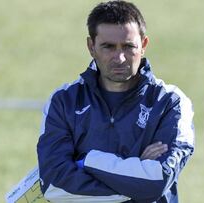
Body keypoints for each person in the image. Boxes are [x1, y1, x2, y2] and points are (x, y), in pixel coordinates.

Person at [37, 1, 195, 202]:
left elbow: (158, 180)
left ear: (144, 45)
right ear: (91, 46)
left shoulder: (170, 102)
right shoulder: (64, 101)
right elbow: (53, 185)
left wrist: (87, 161)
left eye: (129, 46)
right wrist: (137, 172)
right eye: (108, 47)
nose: (120, 58)